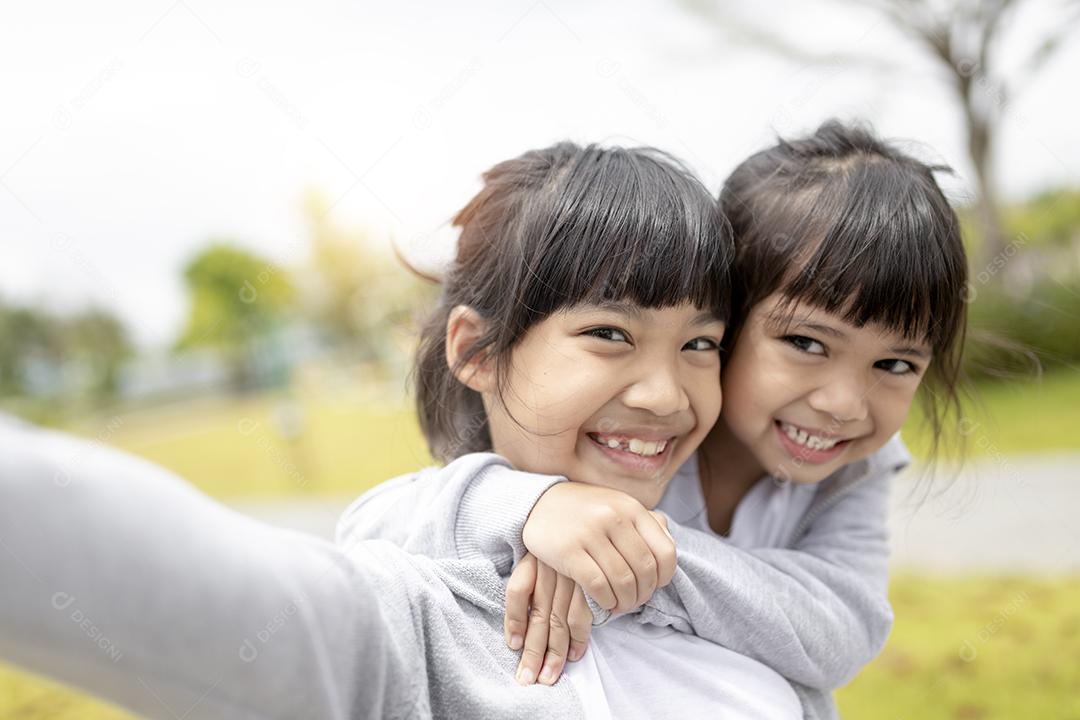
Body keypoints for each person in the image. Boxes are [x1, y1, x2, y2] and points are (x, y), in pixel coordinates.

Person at [1, 142, 804, 718]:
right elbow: (165, 575)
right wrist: (516, 505)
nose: (667, 395)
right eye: (609, 334)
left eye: (701, 344)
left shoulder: (750, 580)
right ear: (477, 350)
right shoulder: (410, 630)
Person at [338, 121, 970, 719]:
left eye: (895, 363)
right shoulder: (622, 444)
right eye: (806, 343)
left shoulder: (854, 464)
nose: (844, 404)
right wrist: (534, 506)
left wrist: (628, 554)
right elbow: (374, 532)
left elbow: (842, 626)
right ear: (739, 316)